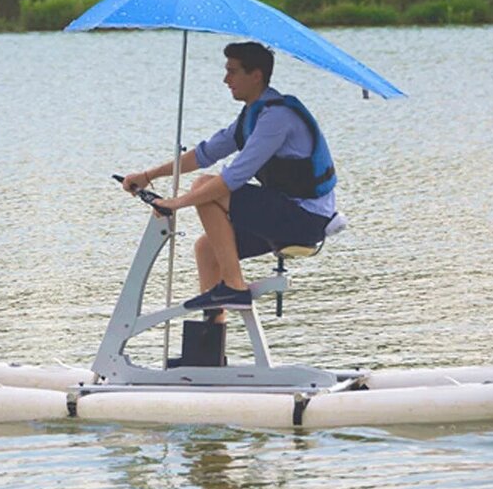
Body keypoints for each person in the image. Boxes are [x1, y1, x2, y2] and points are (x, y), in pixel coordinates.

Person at [122, 41, 337, 314]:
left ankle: (234, 287)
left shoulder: (277, 118)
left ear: (256, 75)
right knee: (207, 249)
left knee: (206, 187)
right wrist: (146, 175)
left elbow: (232, 179)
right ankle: (211, 343)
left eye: (233, 72)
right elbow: (204, 154)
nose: (226, 79)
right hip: (288, 213)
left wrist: (177, 203)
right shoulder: (253, 115)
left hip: (305, 220)